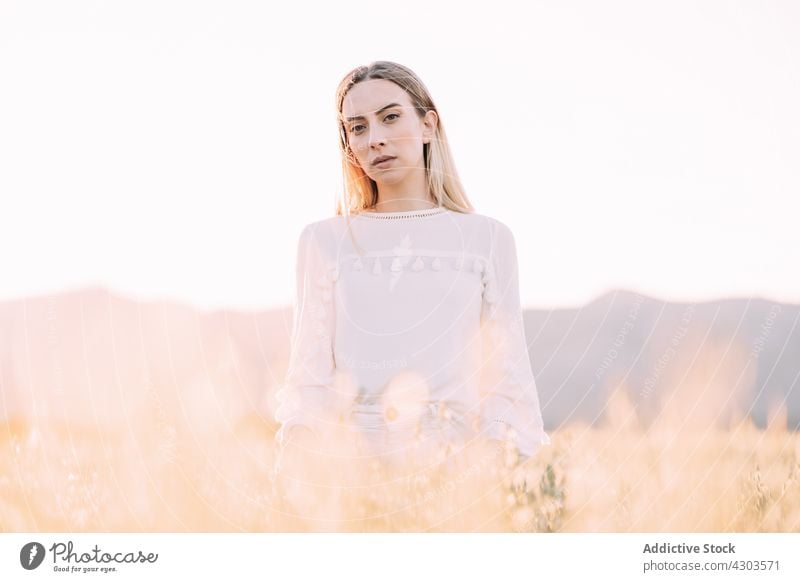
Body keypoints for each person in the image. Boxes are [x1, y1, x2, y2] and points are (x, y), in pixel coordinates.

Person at [273, 61, 550, 491]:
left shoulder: (487, 239)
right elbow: (308, 380)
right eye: (357, 127)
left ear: (427, 124)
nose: (375, 138)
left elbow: (508, 378)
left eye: (390, 117)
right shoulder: (324, 241)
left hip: (460, 477)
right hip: (354, 480)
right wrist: (295, 478)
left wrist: (497, 480)